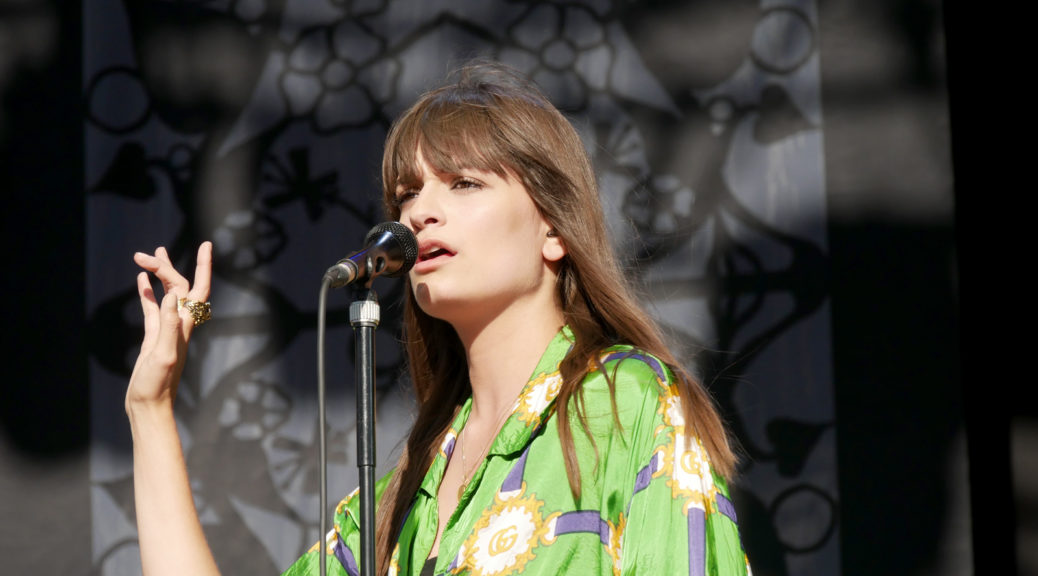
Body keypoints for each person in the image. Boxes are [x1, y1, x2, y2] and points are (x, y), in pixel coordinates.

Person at [126, 61, 751, 576]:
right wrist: (150, 411)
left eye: (464, 183)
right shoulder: (400, 495)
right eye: (407, 192)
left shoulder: (624, 402)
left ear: (554, 229)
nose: (419, 212)